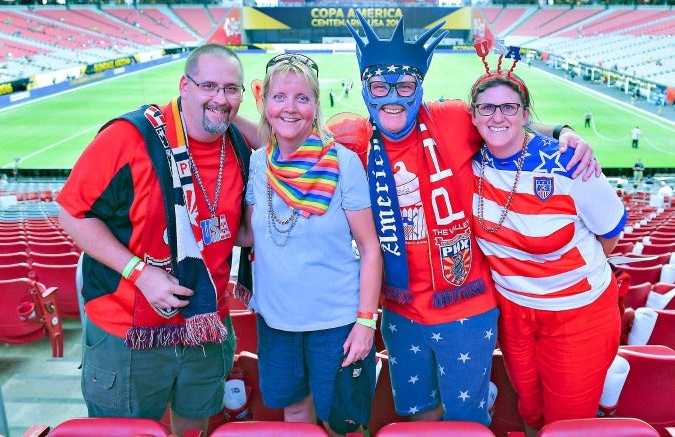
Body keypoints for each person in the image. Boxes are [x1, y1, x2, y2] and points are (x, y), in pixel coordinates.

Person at [344, 14, 599, 426]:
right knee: (417, 417)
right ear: (365, 90)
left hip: (465, 306)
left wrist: (563, 131)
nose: (393, 97)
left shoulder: (451, 119)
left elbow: (506, 120)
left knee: (466, 420)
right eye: (380, 87)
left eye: (405, 86)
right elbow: (289, 136)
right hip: (401, 309)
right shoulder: (351, 137)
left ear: (420, 88)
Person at [56, 44, 251, 437]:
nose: (220, 98)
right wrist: (140, 273)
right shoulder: (129, 137)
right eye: (208, 85)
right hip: (126, 332)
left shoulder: (240, 146)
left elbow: (286, 133)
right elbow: (71, 213)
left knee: (194, 427)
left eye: (232, 89)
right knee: (125, 432)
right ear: (184, 85)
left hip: (205, 325)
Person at [468, 48, 627, 435]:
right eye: (486, 108)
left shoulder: (569, 164)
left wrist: (563, 132)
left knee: (567, 424)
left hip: (578, 312)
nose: (497, 116)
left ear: (526, 114)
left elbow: (611, 234)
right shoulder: (469, 159)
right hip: (513, 312)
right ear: (472, 116)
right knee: (532, 410)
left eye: (509, 107)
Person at [238, 53, 382, 437]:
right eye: (280, 97)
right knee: (297, 414)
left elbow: (370, 249)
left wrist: (366, 322)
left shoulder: (344, 163)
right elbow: (250, 234)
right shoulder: (257, 163)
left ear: (316, 105)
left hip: (336, 323)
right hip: (276, 320)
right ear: (265, 104)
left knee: (342, 425)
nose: (290, 107)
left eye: (302, 98)